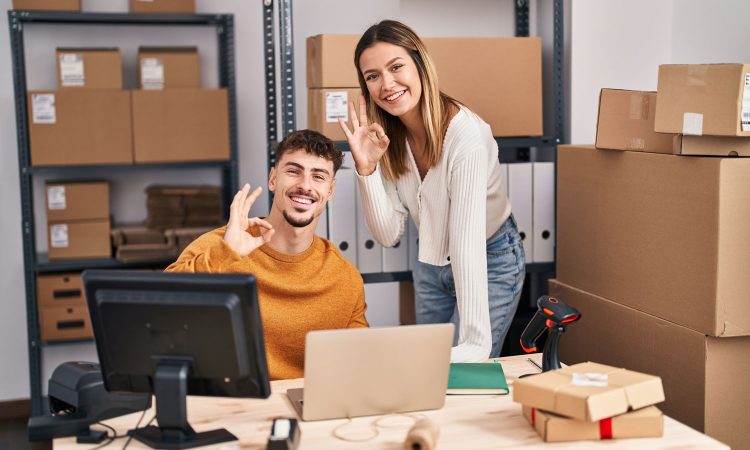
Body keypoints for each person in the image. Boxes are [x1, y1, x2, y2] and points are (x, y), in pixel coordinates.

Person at [339, 20, 524, 362]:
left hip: (488, 257)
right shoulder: (388, 137)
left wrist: (474, 344)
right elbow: (388, 233)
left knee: (461, 373)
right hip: (430, 259)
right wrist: (367, 170)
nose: (387, 84)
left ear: (420, 65)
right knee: (429, 372)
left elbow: (466, 242)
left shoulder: (465, 136)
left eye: (396, 67)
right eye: (372, 76)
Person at [166, 129, 368, 380]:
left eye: (318, 176)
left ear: (330, 190)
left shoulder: (343, 278)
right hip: (231, 408)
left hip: (306, 410)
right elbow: (162, 309)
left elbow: (357, 364)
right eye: (293, 171)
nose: (305, 186)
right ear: (273, 179)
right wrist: (226, 253)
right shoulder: (223, 245)